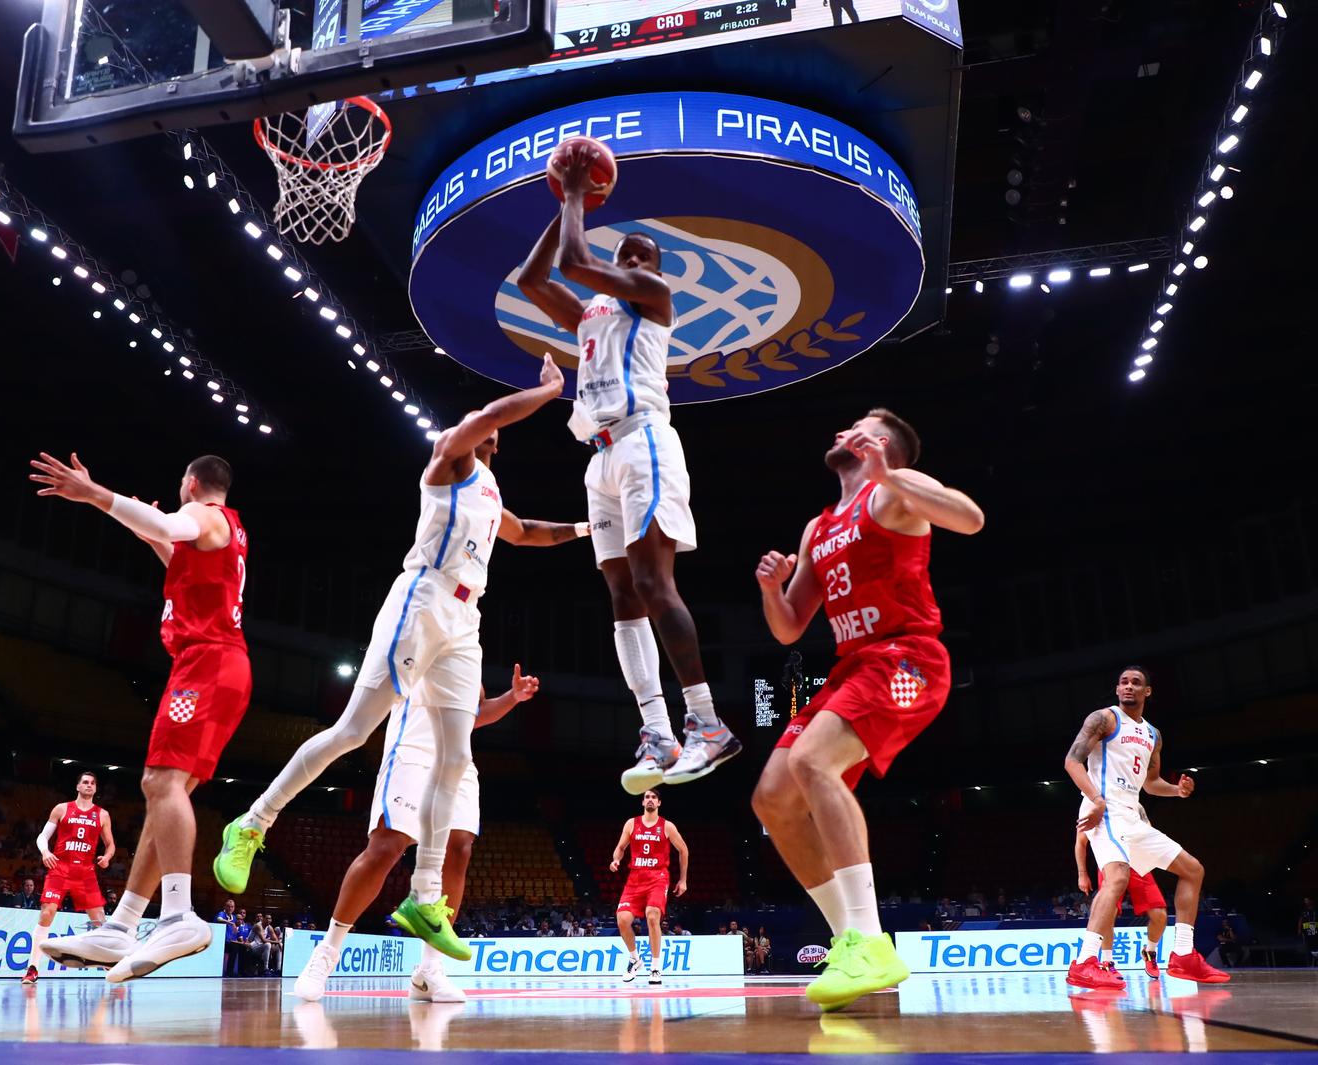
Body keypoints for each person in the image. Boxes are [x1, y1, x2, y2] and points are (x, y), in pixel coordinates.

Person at [214, 357, 586, 965]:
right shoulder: (449, 458)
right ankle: (253, 823)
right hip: (423, 597)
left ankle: (424, 896)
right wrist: (547, 391)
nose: (485, 425)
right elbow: (491, 413)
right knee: (353, 730)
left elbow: (528, 534)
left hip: (467, 619)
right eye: (479, 419)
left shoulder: (492, 495)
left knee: (458, 752)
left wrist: (589, 526)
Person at [517, 149, 739, 794]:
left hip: (644, 443)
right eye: (628, 254)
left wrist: (578, 196)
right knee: (621, 596)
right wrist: (563, 199)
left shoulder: (653, 295)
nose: (633, 260)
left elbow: (574, 263)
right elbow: (538, 279)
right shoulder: (591, 313)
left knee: (652, 579)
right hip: (601, 457)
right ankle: (659, 732)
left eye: (642, 255)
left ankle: (709, 726)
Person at [751, 410, 984, 1010]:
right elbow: (789, 630)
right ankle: (850, 939)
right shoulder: (818, 526)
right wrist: (772, 591)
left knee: (811, 763)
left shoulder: (894, 494)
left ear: (879, 446)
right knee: (772, 797)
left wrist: (893, 473)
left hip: (909, 660)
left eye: (855, 426)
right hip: (853, 665)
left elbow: (970, 517)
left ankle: (872, 940)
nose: (838, 431)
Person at [29, 453, 252, 982]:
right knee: (163, 793)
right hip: (217, 665)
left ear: (192, 483)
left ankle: (178, 914)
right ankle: (125, 922)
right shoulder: (219, 536)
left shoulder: (207, 514)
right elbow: (171, 546)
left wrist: (96, 494)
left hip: (208, 663)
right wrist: (144, 530)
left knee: (159, 782)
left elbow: (172, 525)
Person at [290, 666, 541, 1002]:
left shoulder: (468, 647)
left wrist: (512, 697)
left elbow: (472, 716)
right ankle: (327, 953)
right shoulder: (417, 625)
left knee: (459, 847)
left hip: (456, 759)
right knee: (386, 848)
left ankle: (428, 971)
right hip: (412, 749)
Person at [1063, 667, 1229, 988]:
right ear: (1117, 689)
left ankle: (1182, 955)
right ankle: (1085, 962)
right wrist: (1095, 799)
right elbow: (1072, 761)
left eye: (1136, 683)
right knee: (1117, 878)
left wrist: (1177, 790)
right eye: (1124, 682)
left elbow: (1151, 784)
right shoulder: (1104, 719)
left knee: (1193, 870)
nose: (1129, 687)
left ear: (1147, 692)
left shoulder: (1153, 734)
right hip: (1106, 809)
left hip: (1133, 815)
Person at [24, 771, 117, 985]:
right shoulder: (62, 808)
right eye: (85, 782)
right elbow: (43, 836)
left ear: (96, 788)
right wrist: (46, 852)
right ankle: (33, 968)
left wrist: (108, 857)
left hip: (85, 871)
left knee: (99, 920)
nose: (89, 785)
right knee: (47, 912)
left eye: (93, 783)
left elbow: (110, 844)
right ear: (77, 786)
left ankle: (109, 964)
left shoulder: (102, 814)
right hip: (61, 868)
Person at [610, 788, 689, 986]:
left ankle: (655, 967)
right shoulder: (632, 823)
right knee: (622, 920)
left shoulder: (667, 826)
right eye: (647, 797)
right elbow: (620, 848)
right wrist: (616, 860)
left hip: (658, 877)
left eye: (654, 797)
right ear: (642, 803)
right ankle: (635, 959)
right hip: (635, 878)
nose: (650, 800)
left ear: (659, 803)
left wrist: (683, 880)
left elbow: (683, 850)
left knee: (652, 915)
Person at [1076, 825, 1168, 978]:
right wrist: (1082, 874)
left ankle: (1150, 952)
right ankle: (1107, 962)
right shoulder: (1091, 807)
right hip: (1110, 863)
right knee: (1108, 913)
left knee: (1159, 914)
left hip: (1137, 862)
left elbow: (1148, 831)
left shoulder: (1130, 803)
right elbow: (1080, 842)